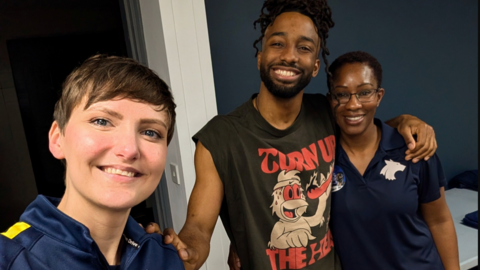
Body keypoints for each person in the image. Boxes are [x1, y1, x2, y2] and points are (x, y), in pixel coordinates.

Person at [155, 1, 437, 270]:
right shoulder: (220, 138)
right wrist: (186, 253)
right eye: (277, 43)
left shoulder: (326, 112)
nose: (289, 55)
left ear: (315, 66)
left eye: (303, 47)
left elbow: (365, 126)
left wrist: (406, 122)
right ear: (260, 57)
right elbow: (198, 228)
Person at [0, 55, 184, 270]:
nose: (129, 149)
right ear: (58, 139)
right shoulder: (9, 259)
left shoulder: (165, 257)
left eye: (151, 132)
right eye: (101, 121)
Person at [327, 51, 459, 270]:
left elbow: (439, 220)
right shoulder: (320, 157)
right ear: (330, 99)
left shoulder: (413, 150)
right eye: (341, 94)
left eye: (364, 93)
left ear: (379, 96)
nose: (353, 105)